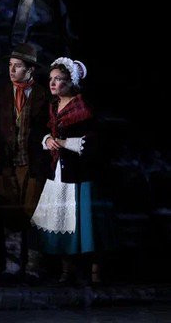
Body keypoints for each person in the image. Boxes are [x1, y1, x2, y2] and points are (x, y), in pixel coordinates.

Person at [0, 43, 49, 279]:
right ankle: (12, 267)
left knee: (35, 214)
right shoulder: (2, 94)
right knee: (10, 214)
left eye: (17, 66)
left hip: (33, 165)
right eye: (10, 65)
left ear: (30, 69)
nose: (12, 70)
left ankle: (33, 268)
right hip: (7, 165)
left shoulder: (44, 96)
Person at [31, 58, 111, 284]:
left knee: (87, 224)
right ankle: (66, 271)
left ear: (71, 82)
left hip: (81, 174)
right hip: (58, 172)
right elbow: (39, 130)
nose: (53, 83)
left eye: (59, 79)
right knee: (61, 221)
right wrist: (47, 140)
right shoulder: (51, 107)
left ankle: (95, 273)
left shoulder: (84, 108)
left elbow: (96, 142)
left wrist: (64, 143)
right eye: (51, 79)